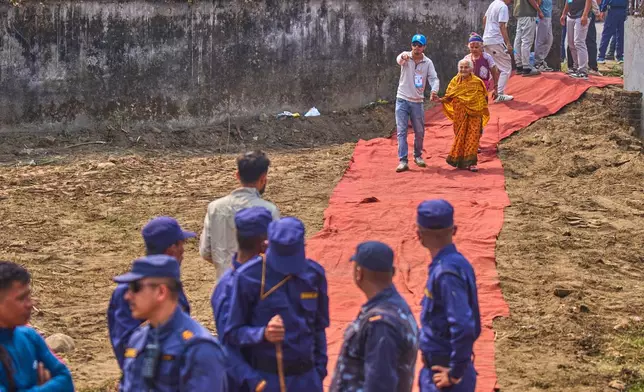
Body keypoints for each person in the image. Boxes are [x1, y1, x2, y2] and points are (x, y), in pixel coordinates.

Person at [223, 217, 329, 392]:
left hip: (307, 379)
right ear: (266, 245)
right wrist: (262, 333)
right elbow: (232, 334)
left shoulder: (314, 275)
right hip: (267, 378)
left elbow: (319, 327)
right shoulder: (248, 277)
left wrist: (319, 371)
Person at [116, 255, 228, 391]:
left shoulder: (199, 348)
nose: (128, 296)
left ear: (161, 292)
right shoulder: (138, 339)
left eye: (135, 287)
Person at [108, 216, 194, 373]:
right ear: (171, 249)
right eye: (182, 244)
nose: (184, 250)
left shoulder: (169, 282)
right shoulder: (131, 290)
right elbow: (125, 346)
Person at [330, 241, 419, 392]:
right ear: (393, 272)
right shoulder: (396, 306)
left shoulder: (380, 324)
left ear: (359, 273)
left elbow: (380, 384)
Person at [416, 200, 481, 392]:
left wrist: (455, 373)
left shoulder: (445, 273)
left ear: (419, 235)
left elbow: (463, 325)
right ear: (454, 230)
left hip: (443, 374)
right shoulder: (458, 263)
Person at [211, 207, 273, 392]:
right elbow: (228, 346)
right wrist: (255, 382)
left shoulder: (264, 276)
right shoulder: (230, 287)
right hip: (245, 382)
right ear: (265, 242)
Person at [200, 150, 280, 279]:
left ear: (237, 175)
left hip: (225, 283)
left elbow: (206, 252)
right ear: (263, 178)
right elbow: (275, 253)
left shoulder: (214, 207)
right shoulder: (269, 210)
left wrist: (225, 265)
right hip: (258, 286)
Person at [0, 261, 74, 391]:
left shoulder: (28, 335)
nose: (30, 304)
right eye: (21, 298)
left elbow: (66, 380)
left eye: (29, 296)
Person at [394, 34, 440, 173]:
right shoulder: (405, 57)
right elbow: (399, 60)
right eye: (414, 44)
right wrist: (403, 58)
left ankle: (417, 155)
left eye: (420, 45)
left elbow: (434, 78)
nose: (416, 47)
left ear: (424, 47)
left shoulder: (428, 63)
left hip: (417, 101)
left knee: (419, 131)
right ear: (411, 45)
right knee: (401, 131)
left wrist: (434, 90)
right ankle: (403, 160)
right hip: (402, 99)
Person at [435, 59, 490, 173]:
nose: (463, 70)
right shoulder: (455, 81)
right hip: (459, 114)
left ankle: (472, 163)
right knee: (461, 136)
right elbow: (449, 96)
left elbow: (483, 97)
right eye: (461, 67)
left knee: (473, 137)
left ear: (471, 69)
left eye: (466, 67)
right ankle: (460, 161)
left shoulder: (477, 82)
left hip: (475, 113)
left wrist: (478, 107)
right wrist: (440, 100)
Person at [482, 0, 515, 102]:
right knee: (506, 67)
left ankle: (484, 91)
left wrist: (487, 33)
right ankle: (499, 94)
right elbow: (502, 26)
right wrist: (508, 43)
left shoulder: (493, 3)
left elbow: (484, 19)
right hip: (496, 40)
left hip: (487, 40)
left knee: (493, 67)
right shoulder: (503, 7)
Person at [561, 0, 593, 79]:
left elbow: (589, 1)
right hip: (570, 15)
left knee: (579, 42)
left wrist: (585, 15)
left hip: (581, 15)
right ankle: (577, 66)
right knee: (571, 43)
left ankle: (583, 70)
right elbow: (568, 1)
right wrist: (564, 14)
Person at [463, 33, 501, 99]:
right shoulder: (467, 58)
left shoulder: (487, 57)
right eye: (472, 47)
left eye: (476, 47)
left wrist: (496, 88)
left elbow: (494, 71)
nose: (474, 49)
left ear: (481, 47)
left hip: (483, 85)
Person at [513, 0, 543, 76]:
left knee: (518, 40)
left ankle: (519, 65)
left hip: (519, 12)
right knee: (526, 41)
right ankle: (526, 67)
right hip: (528, 13)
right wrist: (539, 10)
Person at [534, 0, 555, 72]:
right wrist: (539, 12)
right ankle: (538, 63)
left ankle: (541, 60)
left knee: (549, 40)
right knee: (540, 40)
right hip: (542, 16)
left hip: (549, 16)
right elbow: (537, 3)